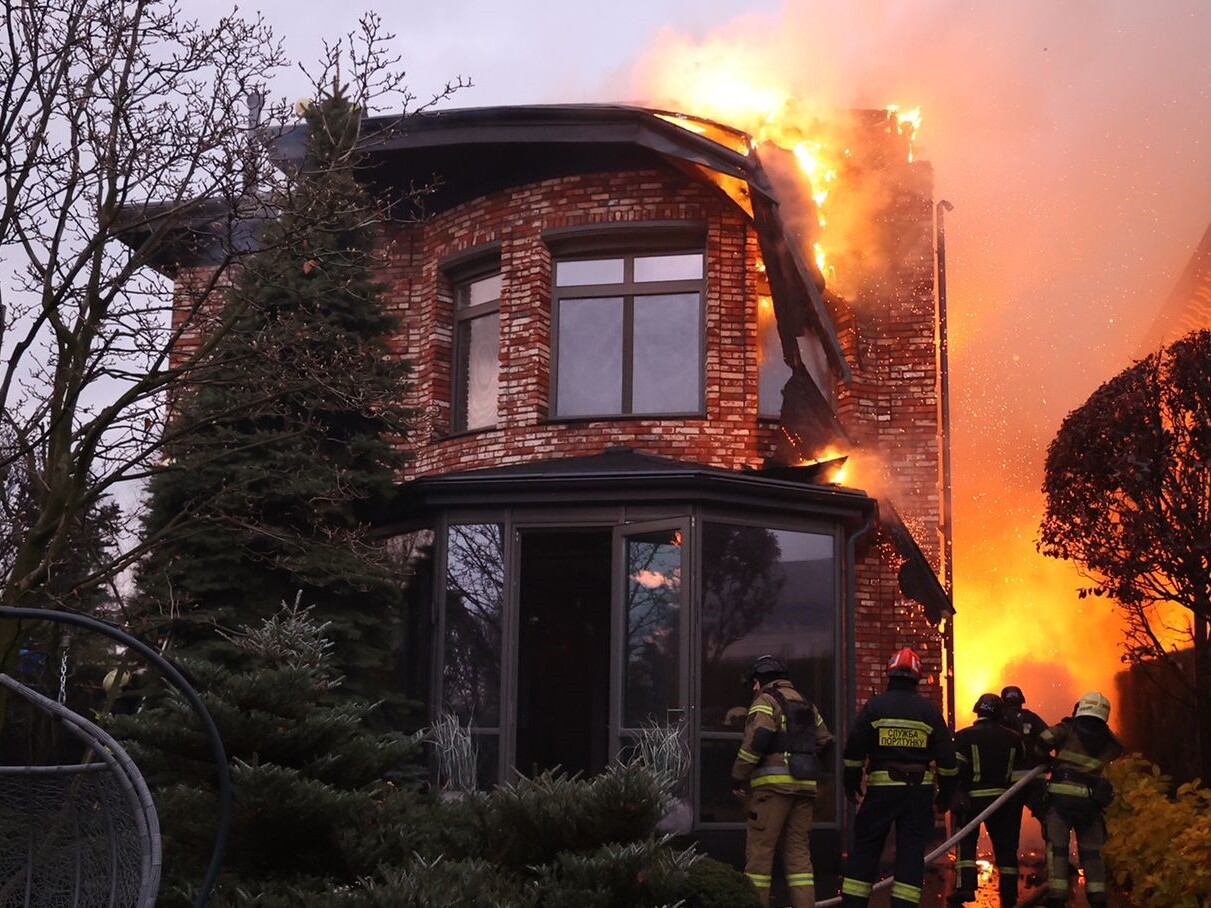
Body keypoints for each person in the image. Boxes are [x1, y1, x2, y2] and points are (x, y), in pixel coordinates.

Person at [839, 647, 958, 908]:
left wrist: (851, 781)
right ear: (917, 677)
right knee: (912, 851)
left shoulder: (875, 707)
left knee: (866, 848)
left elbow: (854, 750)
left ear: (890, 673)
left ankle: (853, 904)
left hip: (881, 792)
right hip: (918, 794)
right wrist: (946, 795)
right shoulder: (929, 712)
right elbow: (947, 760)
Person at [731, 654, 834, 908]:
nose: (754, 689)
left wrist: (737, 776)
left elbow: (757, 742)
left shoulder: (765, 701)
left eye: (754, 683)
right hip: (804, 789)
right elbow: (826, 743)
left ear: (761, 679)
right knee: (799, 859)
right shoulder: (807, 704)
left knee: (760, 857)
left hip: (772, 792)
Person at [1034, 691, 1124, 908]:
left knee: (1058, 849)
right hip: (1090, 804)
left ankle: (1057, 897)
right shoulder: (1109, 741)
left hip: (1061, 801)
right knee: (1092, 852)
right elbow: (1118, 752)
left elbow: (1043, 740)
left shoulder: (1067, 729)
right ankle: (1098, 898)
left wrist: (1047, 760)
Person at [950, 693, 1025, 907]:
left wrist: (956, 793)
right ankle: (1009, 893)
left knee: (966, 843)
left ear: (978, 711)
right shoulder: (1013, 738)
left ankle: (965, 888)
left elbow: (956, 769)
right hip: (1003, 801)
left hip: (972, 801)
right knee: (1006, 848)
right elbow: (1022, 761)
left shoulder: (963, 737)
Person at [998, 685, 1050, 843]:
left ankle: (1009, 862)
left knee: (1009, 825)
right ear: (1021, 700)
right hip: (1035, 779)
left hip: (1008, 783)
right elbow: (1049, 738)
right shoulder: (1032, 718)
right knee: (1048, 820)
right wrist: (1042, 756)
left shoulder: (999, 718)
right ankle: (1055, 859)